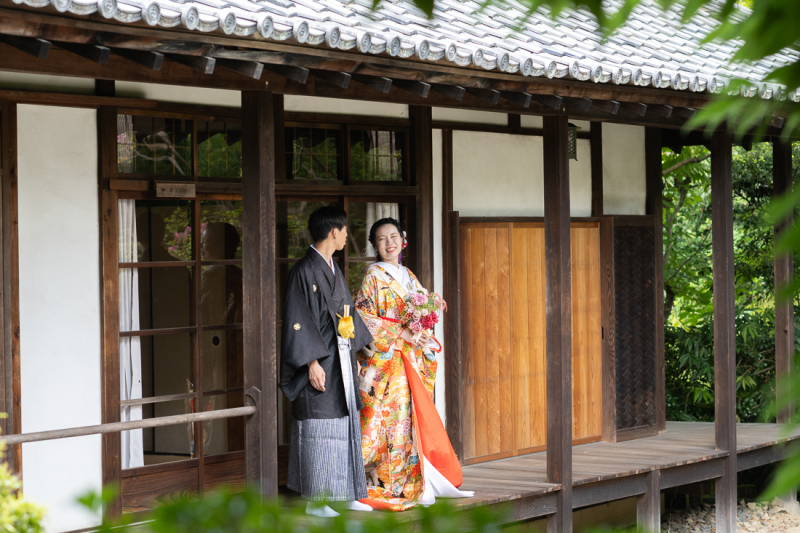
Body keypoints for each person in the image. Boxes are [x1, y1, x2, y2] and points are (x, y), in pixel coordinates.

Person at [355, 218, 474, 511]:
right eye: (381, 239)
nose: (389, 243)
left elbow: (420, 311)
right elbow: (364, 319)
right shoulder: (372, 278)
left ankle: (411, 478)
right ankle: (387, 482)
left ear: (402, 240)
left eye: (393, 236)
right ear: (374, 245)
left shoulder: (407, 275)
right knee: (392, 421)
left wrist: (424, 326)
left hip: (409, 358)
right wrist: (404, 333)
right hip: (389, 361)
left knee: (410, 422)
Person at [280, 206, 375, 517]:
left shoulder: (332, 267)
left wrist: (358, 353)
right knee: (320, 427)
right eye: (345, 230)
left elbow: (346, 313)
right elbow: (297, 320)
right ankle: (316, 500)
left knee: (345, 425)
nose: (347, 235)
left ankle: (346, 491)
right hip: (320, 363)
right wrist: (310, 363)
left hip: (341, 360)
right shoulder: (304, 271)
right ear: (333, 231)